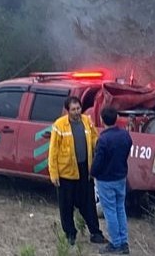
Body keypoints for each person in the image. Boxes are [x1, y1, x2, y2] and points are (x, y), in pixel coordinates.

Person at [48, 95, 105, 247]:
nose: (76, 111)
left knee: (88, 204)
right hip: (66, 172)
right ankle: (70, 234)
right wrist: (54, 174)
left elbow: (93, 138)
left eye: (78, 108)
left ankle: (95, 233)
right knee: (66, 206)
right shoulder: (59, 125)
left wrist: (99, 146)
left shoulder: (87, 121)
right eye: (73, 109)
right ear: (67, 111)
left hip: (84, 170)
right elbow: (53, 151)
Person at [92, 106, 134, 254]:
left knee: (110, 212)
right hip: (120, 177)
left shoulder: (103, 139)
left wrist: (93, 172)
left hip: (105, 180)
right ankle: (124, 242)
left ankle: (116, 244)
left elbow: (98, 162)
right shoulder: (125, 135)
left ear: (102, 120)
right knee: (120, 209)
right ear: (116, 119)